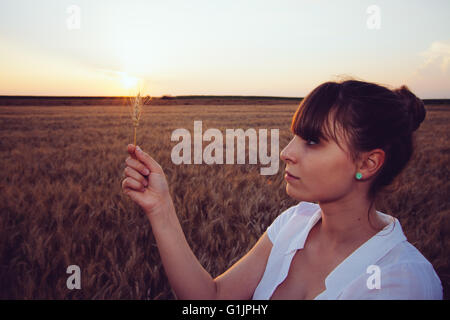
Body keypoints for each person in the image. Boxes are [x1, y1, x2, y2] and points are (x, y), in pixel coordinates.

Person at [121, 79, 443, 300]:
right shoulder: (294, 222)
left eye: (313, 142)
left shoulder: (403, 280)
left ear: (368, 164)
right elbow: (213, 298)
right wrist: (160, 208)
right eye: (296, 137)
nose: (287, 152)